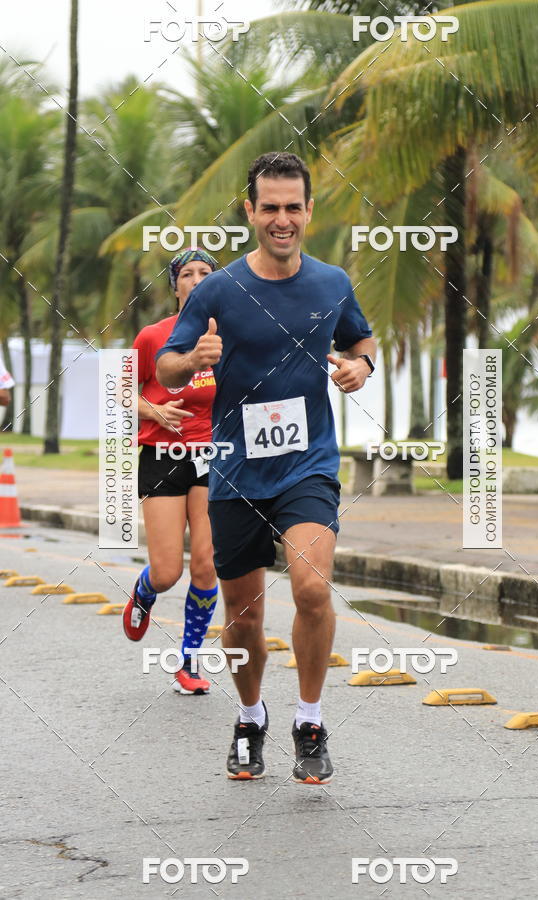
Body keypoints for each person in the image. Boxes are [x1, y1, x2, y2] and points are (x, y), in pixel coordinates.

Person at [156, 152, 376, 783]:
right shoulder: (219, 289)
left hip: (307, 465)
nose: (283, 219)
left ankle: (309, 718)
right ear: (250, 211)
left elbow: (359, 341)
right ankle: (251, 717)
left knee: (311, 588)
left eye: (293, 207)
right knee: (245, 618)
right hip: (234, 471)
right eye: (270, 208)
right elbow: (168, 367)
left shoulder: (332, 282)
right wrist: (194, 355)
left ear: (309, 210)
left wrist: (362, 367)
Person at [122, 248, 220, 696]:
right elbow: (120, 392)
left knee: (206, 566)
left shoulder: (229, 338)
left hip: (215, 458)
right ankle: (144, 591)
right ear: (175, 285)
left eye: (205, 273)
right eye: (187, 274)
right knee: (167, 572)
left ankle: (188, 661)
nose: (197, 280)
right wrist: (154, 411)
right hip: (162, 457)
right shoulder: (154, 336)